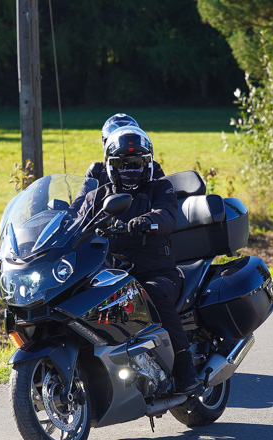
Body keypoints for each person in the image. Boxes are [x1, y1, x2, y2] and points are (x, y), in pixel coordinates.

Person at [71, 126, 201, 394]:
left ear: (148, 164)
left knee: (153, 293)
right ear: (110, 166)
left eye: (137, 164)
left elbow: (167, 214)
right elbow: (75, 221)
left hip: (155, 272)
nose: (130, 171)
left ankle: (184, 364)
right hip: (109, 273)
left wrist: (146, 221)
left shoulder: (160, 188)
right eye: (122, 164)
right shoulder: (98, 196)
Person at [85, 114, 165, 186]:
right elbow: (83, 199)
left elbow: (164, 193)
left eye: (138, 163)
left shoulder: (151, 167)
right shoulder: (97, 170)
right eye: (120, 164)